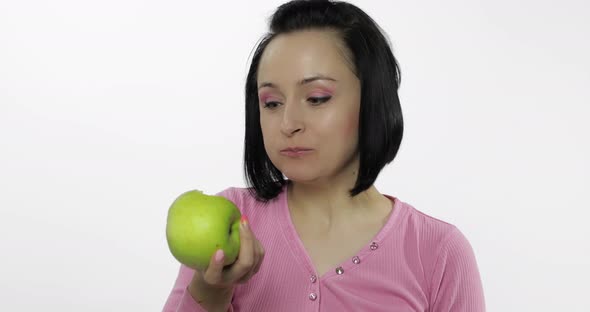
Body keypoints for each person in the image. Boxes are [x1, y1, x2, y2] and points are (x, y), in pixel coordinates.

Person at [163, 0, 486, 311]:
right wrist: (211, 293)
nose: (288, 124)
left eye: (317, 98)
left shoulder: (439, 251)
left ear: (374, 99)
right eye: (272, 103)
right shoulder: (234, 221)